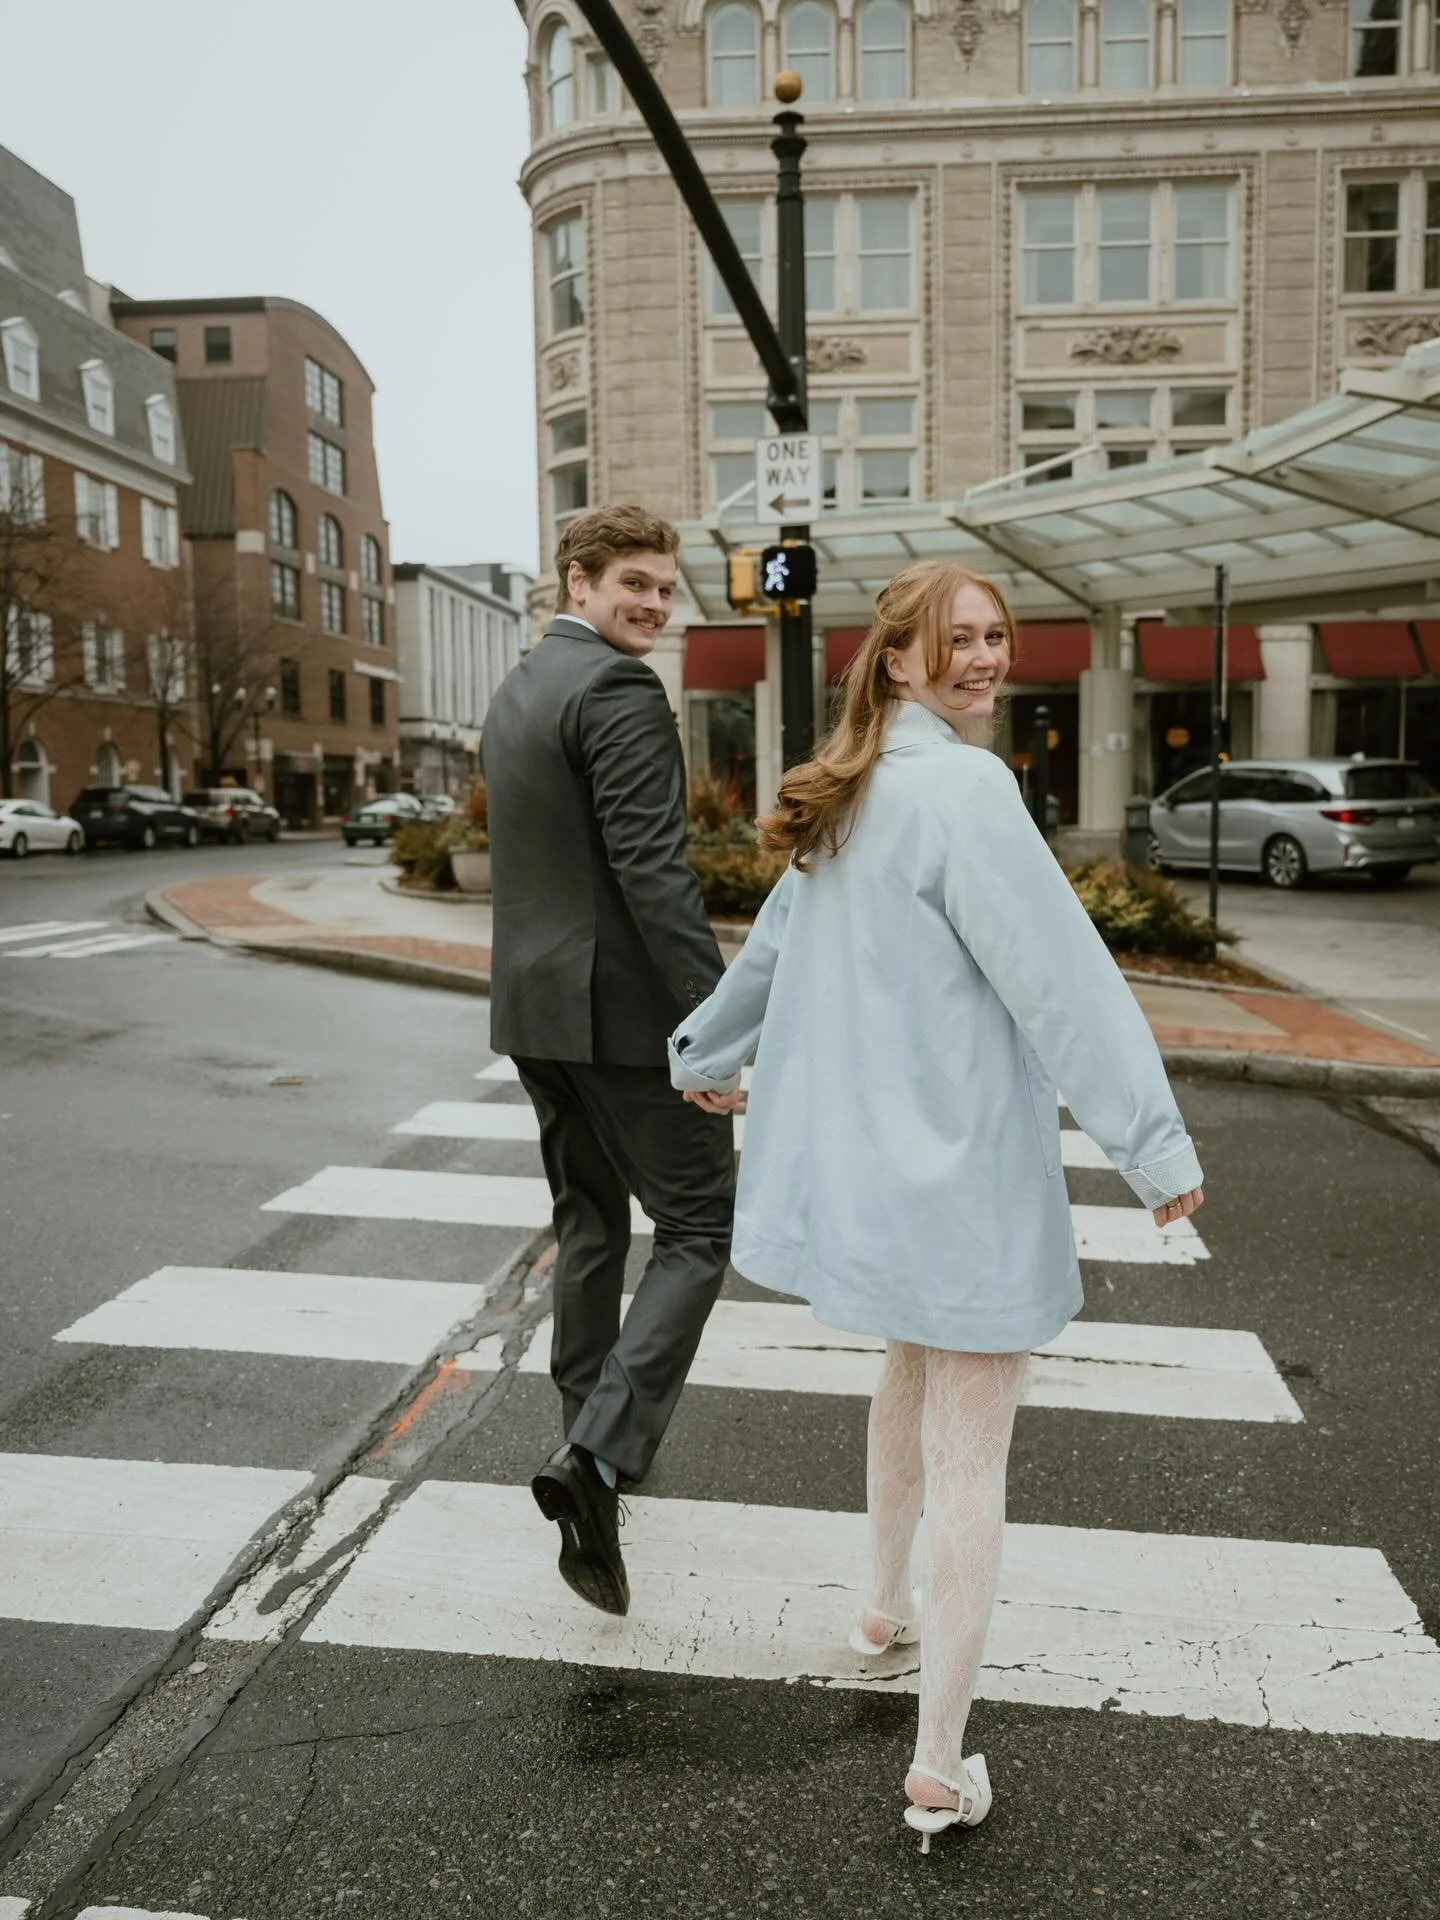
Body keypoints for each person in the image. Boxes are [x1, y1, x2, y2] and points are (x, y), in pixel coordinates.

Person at [668, 561, 1204, 1849]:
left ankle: (878, 1612)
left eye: (994, 635)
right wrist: (1152, 1144)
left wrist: (702, 1051)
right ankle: (939, 1761)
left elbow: (775, 947)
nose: (984, 656)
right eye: (956, 639)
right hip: (963, 1176)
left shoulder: (857, 789)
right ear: (898, 659)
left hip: (875, 1177)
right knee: (974, 1459)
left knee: (905, 1376)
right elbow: (1060, 981)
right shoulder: (965, 789)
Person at [481, 504, 742, 1619]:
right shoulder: (620, 689)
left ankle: (586, 1438)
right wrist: (713, 1025)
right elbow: (654, 871)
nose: (654, 604)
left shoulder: (520, 688)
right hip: (625, 1021)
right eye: (634, 582)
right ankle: (595, 1458)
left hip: (535, 1012)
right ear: (577, 579)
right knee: (701, 1227)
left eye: (665, 589)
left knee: (591, 1222)